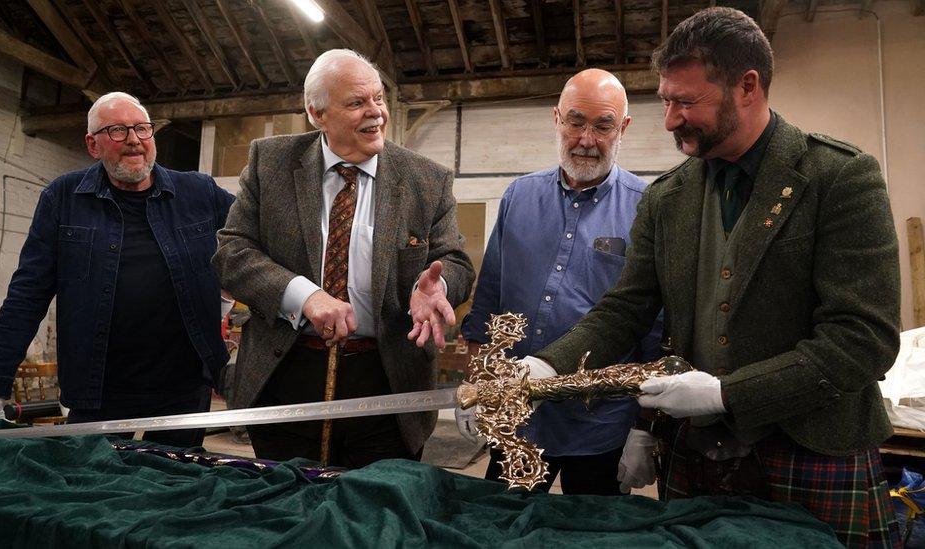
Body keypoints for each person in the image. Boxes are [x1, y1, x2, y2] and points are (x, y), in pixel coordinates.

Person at [527, 7, 901, 547]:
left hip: (811, 453)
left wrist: (729, 395)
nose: (671, 118)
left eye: (686, 101)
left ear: (747, 87)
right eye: (667, 100)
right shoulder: (667, 197)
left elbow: (862, 340)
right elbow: (625, 309)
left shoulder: (838, 177)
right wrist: (548, 363)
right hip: (696, 458)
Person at [212, 49, 475, 469]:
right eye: (356, 103)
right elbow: (233, 252)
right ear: (317, 114)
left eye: (378, 98)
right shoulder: (271, 163)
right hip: (286, 377)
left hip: (388, 384)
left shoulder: (426, 179)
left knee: (373, 517)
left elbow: (455, 260)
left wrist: (437, 286)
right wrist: (305, 296)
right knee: (288, 508)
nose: (376, 113)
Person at [0, 92, 235, 448]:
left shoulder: (199, 192)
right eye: (117, 130)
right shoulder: (64, 198)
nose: (134, 140)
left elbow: (255, 238)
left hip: (184, 388)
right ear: (93, 144)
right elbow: (27, 297)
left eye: (143, 129)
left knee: (175, 487)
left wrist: (227, 295)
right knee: (89, 486)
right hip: (97, 389)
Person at [456, 69, 661, 495]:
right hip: (518, 419)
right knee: (500, 529)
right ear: (556, 120)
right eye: (575, 121)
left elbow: (653, 327)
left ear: (623, 128)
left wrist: (647, 427)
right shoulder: (518, 197)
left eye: (603, 125)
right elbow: (488, 301)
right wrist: (476, 381)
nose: (587, 138)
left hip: (602, 426)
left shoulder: (648, 209)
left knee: (594, 538)